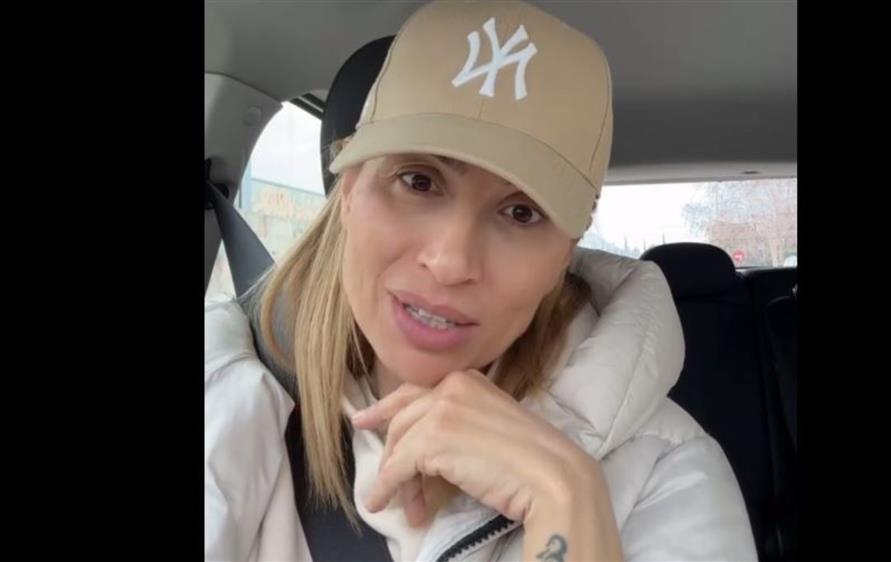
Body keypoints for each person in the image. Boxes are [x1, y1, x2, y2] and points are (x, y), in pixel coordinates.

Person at [205, 1, 756, 560]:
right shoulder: (220, 387)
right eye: (418, 181)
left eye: (521, 213)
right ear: (347, 190)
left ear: (564, 254)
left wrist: (566, 506)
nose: (450, 262)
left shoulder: (669, 473)